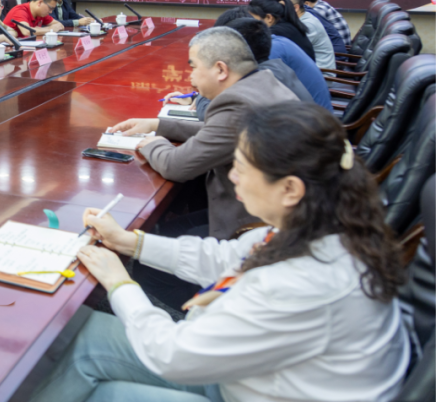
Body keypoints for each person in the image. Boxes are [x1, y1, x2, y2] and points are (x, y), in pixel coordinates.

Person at [30, 105, 409, 402]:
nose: (232, 177)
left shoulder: (302, 281)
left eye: (241, 169)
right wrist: (132, 243)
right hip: (260, 378)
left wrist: (120, 283)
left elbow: (172, 354)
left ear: (290, 188)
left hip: (259, 388)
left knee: (96, 389)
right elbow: (226, 257)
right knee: (83, 332)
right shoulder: (325, 225)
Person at [107, 27, 298, 240]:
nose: (190, 77)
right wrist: (158, 124)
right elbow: (224, 132)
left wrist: (154, 144)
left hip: (252, 227)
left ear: (221, 70)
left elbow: (175, 166)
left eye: (194, 67)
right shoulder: (262, 82)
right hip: (268, 211)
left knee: (153, 236)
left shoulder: (237, 102)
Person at [174, 17, 331, 118]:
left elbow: (212, 115)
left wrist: (205, 90)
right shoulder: (271, 66)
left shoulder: (261, 78)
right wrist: (197, 96)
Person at [279, 0, 337, 70]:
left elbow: (290, 51)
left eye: (281, 6)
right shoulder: (300, 18)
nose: (277, 8)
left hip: (320, 72)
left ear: (295, 8)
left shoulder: (308, 24)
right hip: (306, 67)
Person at [247, 0, 316, 61]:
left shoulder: (276, 32)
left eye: (253, 18)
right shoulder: (287, 26)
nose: (251, 23)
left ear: (269, 18)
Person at [282, 0, 347, 54]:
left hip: (337, 51)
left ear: (306, 4)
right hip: (336, 46)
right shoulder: (321, 5)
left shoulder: (316, 12)